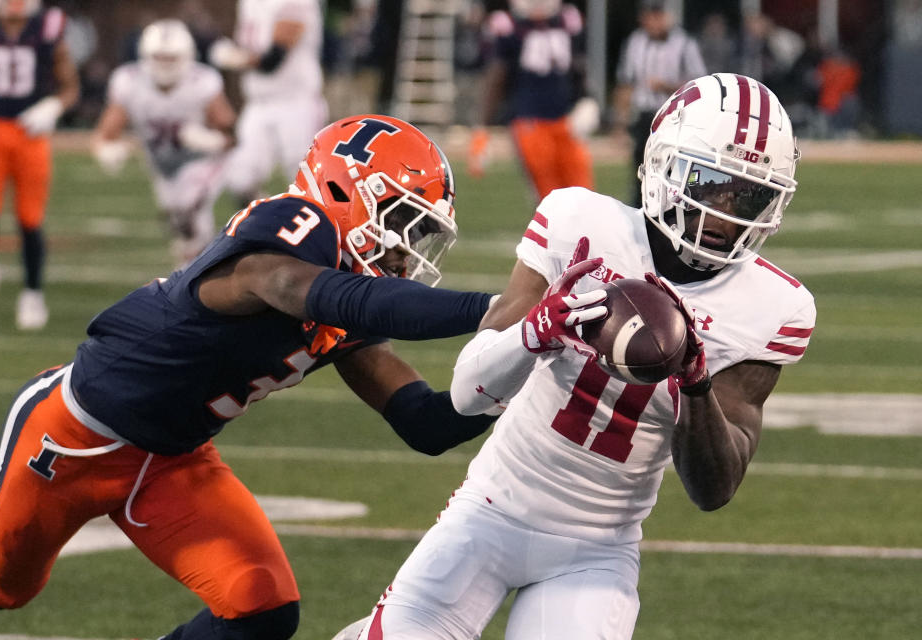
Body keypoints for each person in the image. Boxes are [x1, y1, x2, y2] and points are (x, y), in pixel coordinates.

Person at [0, 114, 498, 640]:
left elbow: (426, 423)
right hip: (73, 437)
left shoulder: (348, 298)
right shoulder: (292, 228)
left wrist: (526, 356)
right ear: (345, 190)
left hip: (173, 461)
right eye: (404, 221)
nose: (407, 247)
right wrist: (498, 309)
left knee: (261, 606)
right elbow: (303, 289)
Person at [336, 73, 816, 639]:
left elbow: (714, 490)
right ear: (664, 167)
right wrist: (535, 332)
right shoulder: (580, 223)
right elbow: (467, 393)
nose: (728, 213)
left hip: (595, 550)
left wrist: (696, 383)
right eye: (712, 185)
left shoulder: (774, 307)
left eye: (750, 196)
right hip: (490, 508)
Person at [0, 0, 79, 330]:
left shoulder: (48, 26)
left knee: (30, 218)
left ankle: (32, 291)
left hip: (30, 133)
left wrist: (54, 106)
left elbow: (70, 86)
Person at [92, 19, 237, 266]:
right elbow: (106, 132)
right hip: (160, 164)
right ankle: (199, 273)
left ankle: (197, 280)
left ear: (187, 56)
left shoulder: (202, 82)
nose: (165, 65)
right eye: (159, 58)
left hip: (199, 160)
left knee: (189, 210)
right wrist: (106, 149)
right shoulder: (129, 81)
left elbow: (232, 135)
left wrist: (208, 140)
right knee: (179, 225)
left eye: (171, 58)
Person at [468, 0, 596, 201]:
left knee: (584, 194)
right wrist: (482, 128)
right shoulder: (509, 25)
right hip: (530, 122)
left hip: (565, 120)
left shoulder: (567, 19)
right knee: (550, 199)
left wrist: (586, 98)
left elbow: (578, 67)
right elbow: (496, 78)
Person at [208, 0, 328, 207]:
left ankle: (323, 233)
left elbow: (273, 58)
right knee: (240, 179)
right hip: (258, 103)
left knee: (310, 181)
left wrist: (235, 58)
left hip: (296, 102)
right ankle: (269, 227)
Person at [612, 0, 705, 207]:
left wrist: (667, 87)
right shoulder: (635, 42)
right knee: (642, 169)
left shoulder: (684, 44)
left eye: (658, 15)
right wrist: (620, 123)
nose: (654, 21)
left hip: (676, 117)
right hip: (646, 116)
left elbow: (699, 85)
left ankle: (677, 209)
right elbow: (626, 83)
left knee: (676, 169)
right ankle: (642, 211)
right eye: (650, 16)